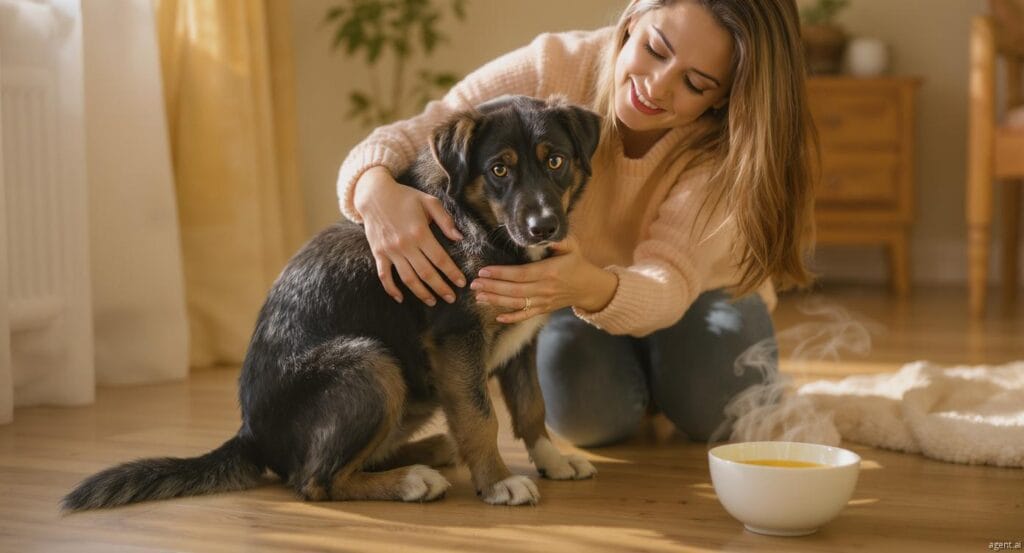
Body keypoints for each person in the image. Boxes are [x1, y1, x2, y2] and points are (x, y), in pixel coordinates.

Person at [336, 0, 816, 447]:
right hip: (570, 291)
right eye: (654, 49)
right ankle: (647, 379)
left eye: (695, 83)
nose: (657, 86)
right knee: (589, 418)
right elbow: (414, 133)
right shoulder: (553, 65)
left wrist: (591, 286)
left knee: (723, 413)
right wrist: (374, 189)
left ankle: (671, 370)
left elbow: (669, 280)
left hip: (697, 292)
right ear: (633, 21)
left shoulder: (724, 146)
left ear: (723, 97)